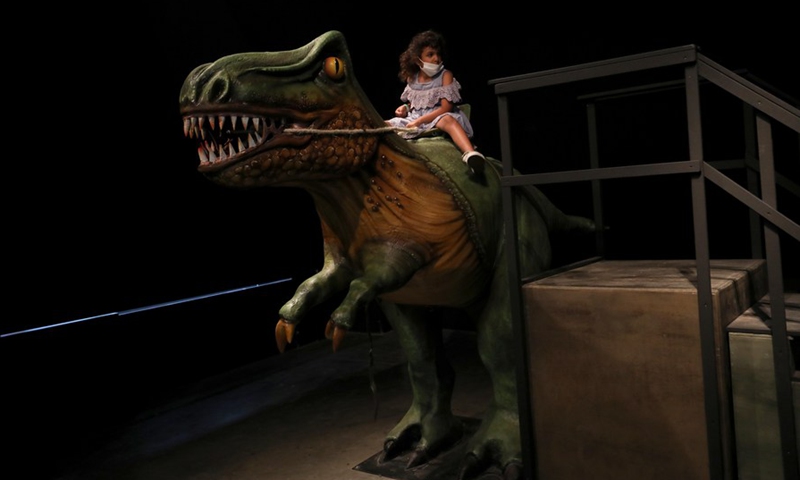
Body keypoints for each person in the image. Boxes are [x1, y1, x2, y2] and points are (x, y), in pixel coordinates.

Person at [385, 30, 486, 176]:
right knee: (386, 124)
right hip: (416, 118)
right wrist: (405, 107)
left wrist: (420, 121)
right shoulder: (412, 79)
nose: (436, 58)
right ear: (418, 59)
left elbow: (446, 107)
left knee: (447, 119)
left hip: (438, 116)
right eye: (430, 54)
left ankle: (470, 154)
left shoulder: (445, 75)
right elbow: (416, 104)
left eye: (438, 54)